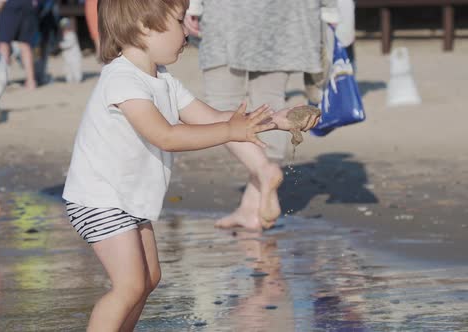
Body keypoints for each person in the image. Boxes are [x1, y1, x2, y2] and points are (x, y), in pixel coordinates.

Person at [61, 0, 320, 330]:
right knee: (129, 285)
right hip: (98, 199)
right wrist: (230, 131)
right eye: (180, 22)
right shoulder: (122, 79)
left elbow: (211, 117)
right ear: (145, 26)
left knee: (149, 278)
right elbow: (166, 136)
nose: (187, 32)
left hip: (127, 198)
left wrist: (275, 121)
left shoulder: (162, 79)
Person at [185, 0, 335, 229]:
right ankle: (251, 208)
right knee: (270, 100)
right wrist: (331, 10)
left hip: (231, 12)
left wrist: (192, 7)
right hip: (288, 12)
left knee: (222, 102)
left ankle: (263, 169)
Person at [0, 0, 38, 89]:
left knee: (4, 44)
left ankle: (1, 80)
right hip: (28, 4)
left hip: (10, 5)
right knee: (25, 44)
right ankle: (31, 81)